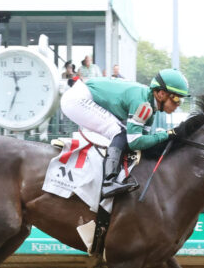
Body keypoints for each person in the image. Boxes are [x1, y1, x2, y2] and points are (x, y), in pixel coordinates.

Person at [60, 68, 190, 198]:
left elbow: (142, 143)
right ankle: (108, 182)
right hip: (78, 99)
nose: (178, 104)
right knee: (119, 133)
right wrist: (166, 134)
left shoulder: (150, 106)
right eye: (177, 99)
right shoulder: (142, 104)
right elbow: (134, 142)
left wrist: (164, 137)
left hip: (83, 96)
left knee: (122, 134)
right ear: (161, 94)